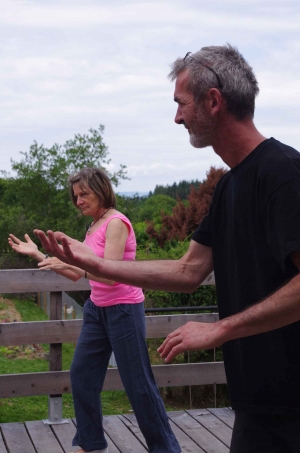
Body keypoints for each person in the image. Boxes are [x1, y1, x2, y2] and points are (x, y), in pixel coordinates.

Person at [34, 44, 300, 453]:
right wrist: (91, 263)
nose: (176, 116)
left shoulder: (283, 173)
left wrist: (220, 328)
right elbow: (187, 271)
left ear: (213, 102)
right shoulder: (229, 187)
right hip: (255, 400)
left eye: (181, 104)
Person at [8, 167, 181, 453]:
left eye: (84, 194)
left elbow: (111, 275)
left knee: (138, 385)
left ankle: (165, 449)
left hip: (123, 309)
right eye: (75, 196)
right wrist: (40, 254)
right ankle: (89, 443)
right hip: (96, 310)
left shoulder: (116, 223)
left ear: (102, 190)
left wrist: (66, 264)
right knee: (82, 375)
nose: (78, 201)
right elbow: (77, 273)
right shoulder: (93, 226)